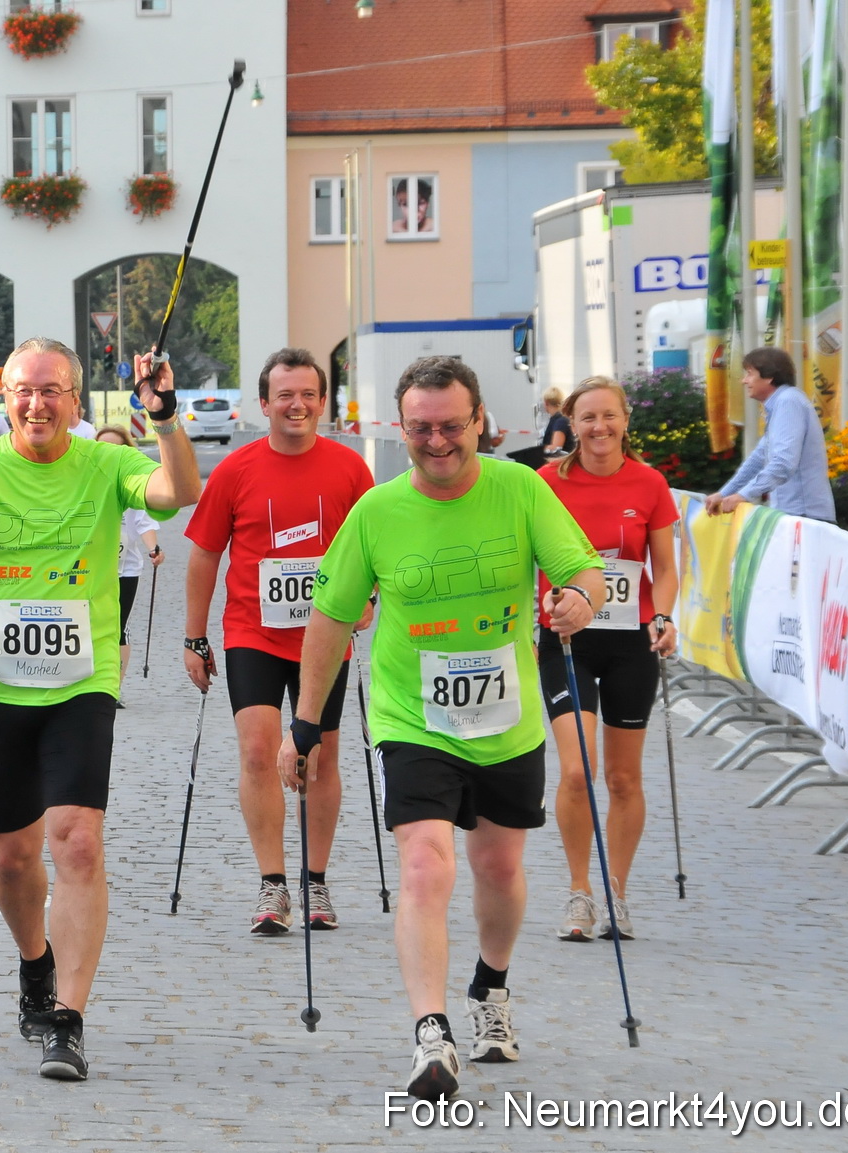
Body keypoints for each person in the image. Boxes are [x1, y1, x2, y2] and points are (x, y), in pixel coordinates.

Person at [276, 355, 602, 1103]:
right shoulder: (377, 511)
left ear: (479, 421)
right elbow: (329, 620)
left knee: (496, 867)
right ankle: (431, 1031)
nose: (437, 441)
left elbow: (584, 570)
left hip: (505, 719)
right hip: (410, 715)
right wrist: (306, 723)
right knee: (425, 864)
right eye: (420, 428)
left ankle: (490, 986)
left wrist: (578, 601)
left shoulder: (520, 489)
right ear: (401, 427)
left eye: (450, 426)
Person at [0, 336, 201, 1082]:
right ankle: (34, 962)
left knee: (76, 841)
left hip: (83, 681)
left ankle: (68, 1017)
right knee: (13, 854)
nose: (37, 403)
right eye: (24, 388)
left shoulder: (105, 461)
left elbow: (174, 493)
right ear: (5, 395)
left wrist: (165, 417)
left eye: (52, 389)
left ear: (76, 399)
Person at [183, 349, 374, 934]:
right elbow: (205, 555)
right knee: (257, 751)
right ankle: (272, 884)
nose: (297, 404)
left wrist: (370, 599)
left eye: (308, 394)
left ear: (323, 401)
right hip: (253, 633)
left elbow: (377, 548)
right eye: (285, 395)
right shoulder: (237, 471)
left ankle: (315, 883)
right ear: (264, 404)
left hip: (326, 636)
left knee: (318, 758)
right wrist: (194, 636)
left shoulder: (350, 470)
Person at [536, 377, 678, 944]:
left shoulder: (649, 484)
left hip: (629, 644)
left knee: (622, 777)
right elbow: (526, 560)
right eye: (587, 417)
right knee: (577, 770)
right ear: (570, 423)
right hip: (567, 640)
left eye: (609, 416)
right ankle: (579, 893)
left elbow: (663, 568)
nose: (598, 427)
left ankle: (616, 892)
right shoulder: (547, 483)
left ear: (625, 421)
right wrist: (529, 615)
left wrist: (662, 616)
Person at [705, 346, 836, 523]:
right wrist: (725, 494)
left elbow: (783, 463)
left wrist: (743, 495)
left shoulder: (788, 402)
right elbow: (758, 460)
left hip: (804, 517)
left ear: (769, 376)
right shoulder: (782, 404)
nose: (744, 381)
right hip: (795, 515)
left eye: (750, 373)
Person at [94, 425, 162, 705]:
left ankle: (113, 688)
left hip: (126, 569)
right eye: (103, 448)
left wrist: (153, 549)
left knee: (118, 626)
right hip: (91, 569)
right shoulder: (85, 481)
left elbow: (144, 523)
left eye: (116, 448)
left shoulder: (131, 484)